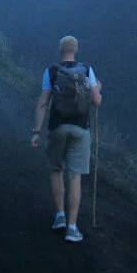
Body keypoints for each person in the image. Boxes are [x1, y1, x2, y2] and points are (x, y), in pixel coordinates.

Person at [31, 35, 102, 243]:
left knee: (56, 169)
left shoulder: (51, 71)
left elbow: (43, 103)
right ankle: (72, 228)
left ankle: (60, 216)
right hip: (81, 129)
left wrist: (36, 131)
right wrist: (97, 87)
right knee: (75, 177)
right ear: (76, 50)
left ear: (59, 49)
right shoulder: (87, 70)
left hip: (57, 127)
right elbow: (96, 102)